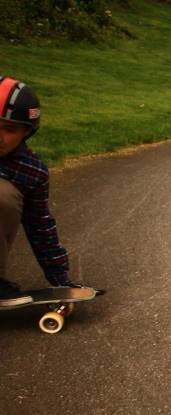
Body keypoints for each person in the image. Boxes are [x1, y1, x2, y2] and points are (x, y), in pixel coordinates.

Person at [0, 76, 81, 306]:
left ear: (26, 132)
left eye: (9, 129)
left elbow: (40, 228)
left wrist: (60, 282)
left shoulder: (31, 172)